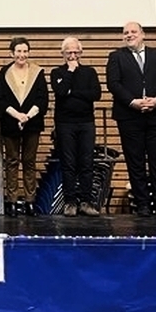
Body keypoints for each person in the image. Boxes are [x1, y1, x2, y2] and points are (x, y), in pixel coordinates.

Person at [106, 21, 156, 218]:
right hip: (129, 117)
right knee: (135, 162)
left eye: (133, 32)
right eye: (125, 33)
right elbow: (113, 83)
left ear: (143, 34)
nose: (129, 35)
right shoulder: (116, 57)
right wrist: (132, 102)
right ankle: (142, 204)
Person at [0, 36, 49, 215]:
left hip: (32, 123)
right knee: (12, 161)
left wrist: (27, 116)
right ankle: (12, 201)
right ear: (12, 53)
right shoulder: (4, 74)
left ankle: (30, 201)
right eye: (18, 51)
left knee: (29, 162)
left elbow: (43, 99)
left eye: (25, 51)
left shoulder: (38, 72)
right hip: (10, 123)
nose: (22, 55)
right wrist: (17, 115)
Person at [50, 36, 102, 217]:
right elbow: (61, 92)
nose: (72, 55)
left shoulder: (90, 72)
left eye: (75, 52)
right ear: (62, 54)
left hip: (86, 122)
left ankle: (86, 202)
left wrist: (74, 92)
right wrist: (70, 73)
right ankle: (70, 202)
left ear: (80, 53)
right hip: (65, 124)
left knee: (87, 163)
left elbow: (96, 94)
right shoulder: (57, 72)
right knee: (69, 164)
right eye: (68, 52)